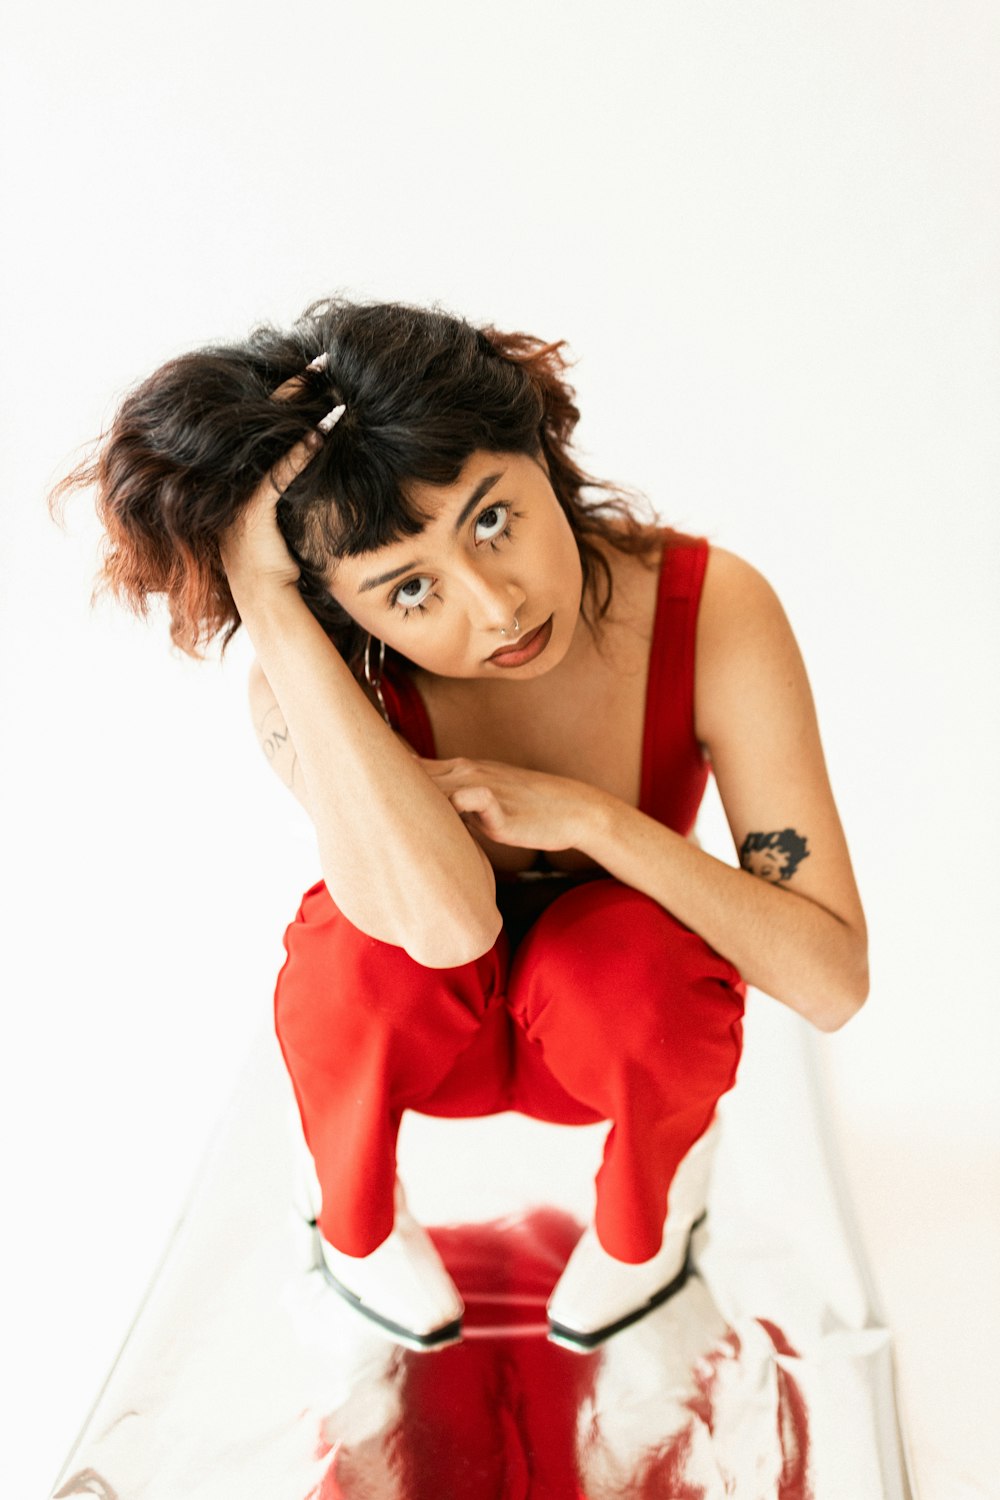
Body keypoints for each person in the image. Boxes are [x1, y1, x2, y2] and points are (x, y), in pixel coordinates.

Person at [51, 295, 868, 1353]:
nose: (494, 606)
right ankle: (351, 1215)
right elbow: (441, 931)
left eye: (492, 520)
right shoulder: (309, 675)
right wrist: (269, 606)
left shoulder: (708, 605)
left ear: (537, 443)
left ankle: (646, 1219)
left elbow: (831, 982)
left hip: (620, 1022)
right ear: (337, 608)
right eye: (408, 589)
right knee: (357, 971)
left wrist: (591, 819)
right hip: (436, 1021)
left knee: (624, 975)